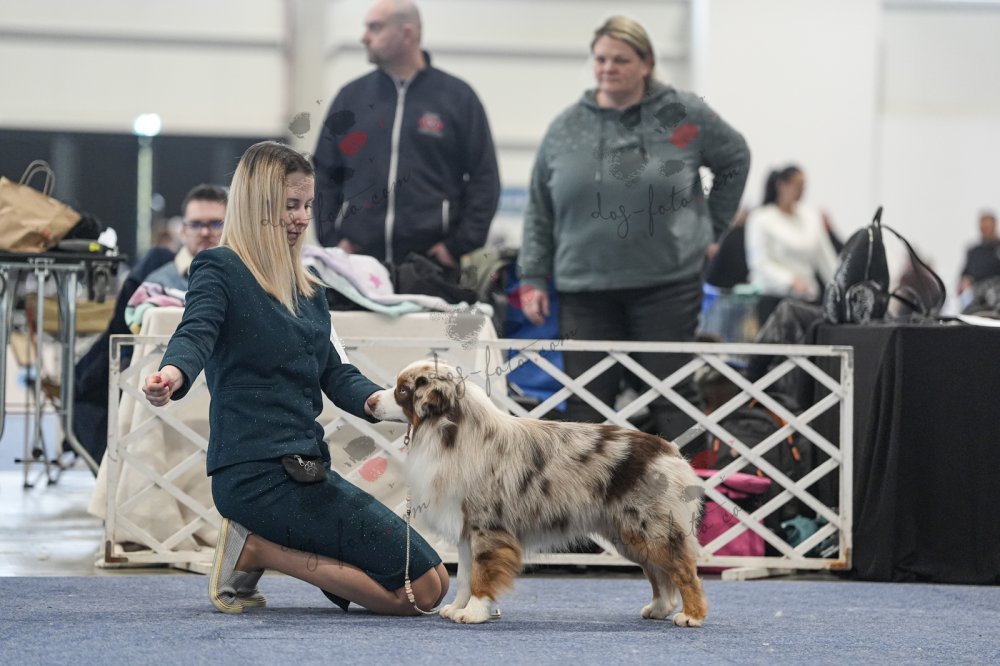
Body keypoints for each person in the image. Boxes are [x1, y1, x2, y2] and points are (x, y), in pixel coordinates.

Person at [142, 141, 448, 615]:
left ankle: (261, 546)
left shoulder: (309, 289)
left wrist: (389, 403)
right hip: (253, 476)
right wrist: (171, 373)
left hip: (306, 469)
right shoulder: (218, 268)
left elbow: (338, 373)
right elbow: (195, 332)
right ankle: (258, 549)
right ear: (258, 204)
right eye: (290, 205)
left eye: (307, 205)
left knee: (436, 579)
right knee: (421, 593)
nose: (303, 218)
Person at [517, 16, 750, 440]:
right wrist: (532, 276)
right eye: (600, 59)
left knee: (671, 399)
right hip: (583, 288)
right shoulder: (565, 127)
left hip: (667, 284)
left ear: (646, 63)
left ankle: (690, 484)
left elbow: (736, 158)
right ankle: (588, 488)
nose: (608, 68)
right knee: (586, 403)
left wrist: (711, 230)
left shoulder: (684, 113)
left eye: (620, 59)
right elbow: (539, 207)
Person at [313, 0, 500, 281]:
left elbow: (484, 178)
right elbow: (323, 174)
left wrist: (458, 246)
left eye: (375, 27)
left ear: (408, 33)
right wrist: (332, 241)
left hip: (432, 268)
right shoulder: (350, 98)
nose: (364, 37)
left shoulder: (458, 98)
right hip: (357, 265)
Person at [72, 183, 228, 463]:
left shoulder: (248, 278)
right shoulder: (154, 283)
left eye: (216, 223)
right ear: (183, 231)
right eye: (196, 224)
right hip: (166, 392)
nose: (205, 232)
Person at [744, 165, 838, 327]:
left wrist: (839, 285)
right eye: (797, 185)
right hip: (773, 297)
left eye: (804, 186)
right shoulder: (761, 218)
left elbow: (826, 258)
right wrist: (789, 280)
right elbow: (758, 262)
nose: (801, 190)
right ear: (782, 185)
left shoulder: (811, 216)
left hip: (807, 296)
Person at [958, 211, 1000, 301]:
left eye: (987, 227)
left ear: (994, 226)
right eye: (982, 228)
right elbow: (964, 275)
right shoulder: (974, 252)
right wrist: (964, 282)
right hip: (976, 297)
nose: (984, 231)